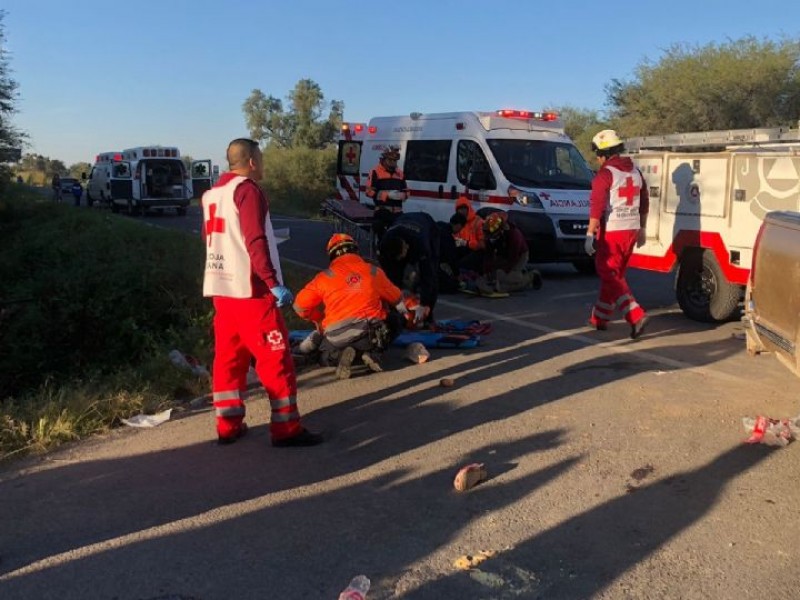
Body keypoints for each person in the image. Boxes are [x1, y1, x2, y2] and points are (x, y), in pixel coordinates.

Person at [202, 137, 323, 447]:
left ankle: (227, 426)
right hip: (251, 292)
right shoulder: (248, 191)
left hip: (221, 289)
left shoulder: (212, 194)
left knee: (229, 359)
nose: (264, 164)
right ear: (252, 161)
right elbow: (255, 240)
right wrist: (272, 282)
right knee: (275, 360)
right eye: (262, 158)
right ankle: (286, 429)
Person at [293, 233, 409, 379]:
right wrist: (406, 316)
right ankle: (372, 353)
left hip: (337, 337)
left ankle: (342, 355)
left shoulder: (323, 277)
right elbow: (398, 300)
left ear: (331, 255)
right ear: (356, 250)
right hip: (370, 332)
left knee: (324, 356)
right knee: (395, 321)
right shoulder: (373, 271)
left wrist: (319, 319)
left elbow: (299, 306)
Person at [585, 129, 649, 339]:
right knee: (615, 276)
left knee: (607, 272)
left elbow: (597, 206)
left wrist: (589, 234)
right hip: (631, 229)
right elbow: (644, 202)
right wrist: (643, 228)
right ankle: (600, 317)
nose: (597, 158)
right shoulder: (635, 172)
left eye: (597, 154)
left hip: (612, 232)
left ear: (604, 154)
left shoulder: (605, 174)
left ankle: (635, 314)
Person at [379, 212, 440, 326]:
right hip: (403, 223)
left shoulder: (421, 243)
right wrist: (395, 300)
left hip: (427, 226)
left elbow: (428, 275)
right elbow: (388, 277)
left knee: (432, 271)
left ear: (405, 246)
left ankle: (428, 317)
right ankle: (396, 315)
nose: (403, 259)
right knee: (393, 276)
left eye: (403, 254)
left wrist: (424, 304)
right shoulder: (384, 244)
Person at [477, 211, 542, 294]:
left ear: (500, 230)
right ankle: (502, 284)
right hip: (504, 254)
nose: (489, 237)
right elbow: (488, 255)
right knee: (495, 274)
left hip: (520, 255)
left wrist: (502, 272)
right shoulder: (490, 234)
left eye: (492, 235)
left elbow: (513, 258)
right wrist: (487, 271)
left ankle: (531, 276)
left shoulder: (514, 235)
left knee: (504, 277)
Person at [366, 146, 408, 244]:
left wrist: (403, 195)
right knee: (382, 232)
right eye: (391, 160)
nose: (393, 163)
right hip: (382, 211)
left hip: (397, 212)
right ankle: (380, 250)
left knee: (404, 230)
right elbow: (369, 192)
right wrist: (386, 195)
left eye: (395, 160)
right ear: (384, 159)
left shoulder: (400, 173)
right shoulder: (375, 172)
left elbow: (407, 191)